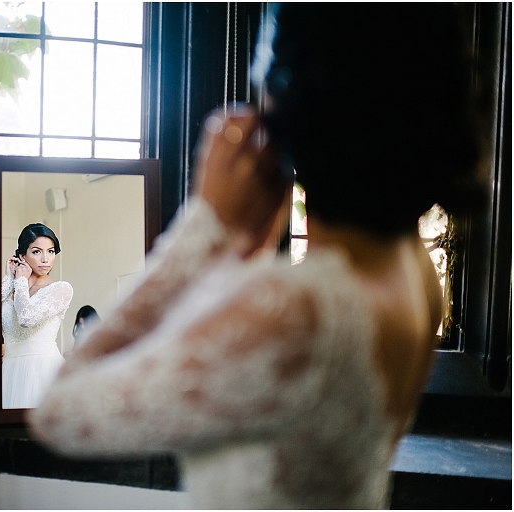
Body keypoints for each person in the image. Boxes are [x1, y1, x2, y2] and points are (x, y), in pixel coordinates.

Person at [28, 4, 482, 508]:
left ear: (290, 100)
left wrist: (201, 228)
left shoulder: (302, 311)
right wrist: (244, 253)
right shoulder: (413, 269)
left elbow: (56, 412)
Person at [1, 223, 73, 409]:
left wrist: (20, 281)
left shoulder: (61, 289)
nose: (45, 259)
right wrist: (9, 278)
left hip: (43, 369)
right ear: (22, 256)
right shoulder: (11, 287)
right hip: (9, 370)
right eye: (36, 251)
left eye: (50, 251)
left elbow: (26, 319)